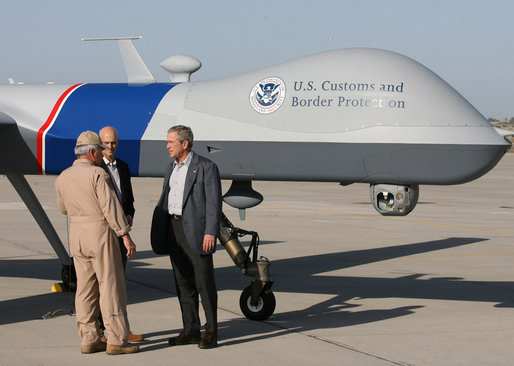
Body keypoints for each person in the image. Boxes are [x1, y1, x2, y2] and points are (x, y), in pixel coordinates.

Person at [55, 130, 139, 355]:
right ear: (92, 152)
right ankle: (118, 340)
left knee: (85, 288)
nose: (102, 153)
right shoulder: (98, 175)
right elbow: (111, 208)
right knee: (111, 287)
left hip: (77, 235)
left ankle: (89, 338)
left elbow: (63, 208)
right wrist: (125, 236)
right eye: (99, 150)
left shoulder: (63, 176)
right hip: (100, 234)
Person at [152, 125, 222, 349]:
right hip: (174, 229)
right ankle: (191, 329)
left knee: (204, 283)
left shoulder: (206, 167)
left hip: (198, 232)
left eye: (171, 141)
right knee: (182, 283)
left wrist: (211, 231)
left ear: (185, 143)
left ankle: (211, 332)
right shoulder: (170, 168)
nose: (167, 145)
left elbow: (214, 203)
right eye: (167, 141)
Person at [99, 126, 143, 343]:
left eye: (113, 143)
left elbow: (129, 199)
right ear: (100, 143)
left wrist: (129, 215)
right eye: (106, 143)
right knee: (103, 284)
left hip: (121, 232)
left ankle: (123, 329)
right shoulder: (95, 167)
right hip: (103, 233)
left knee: (120, 285)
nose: (110, 147)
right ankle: (101, 331)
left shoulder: (123, 167)